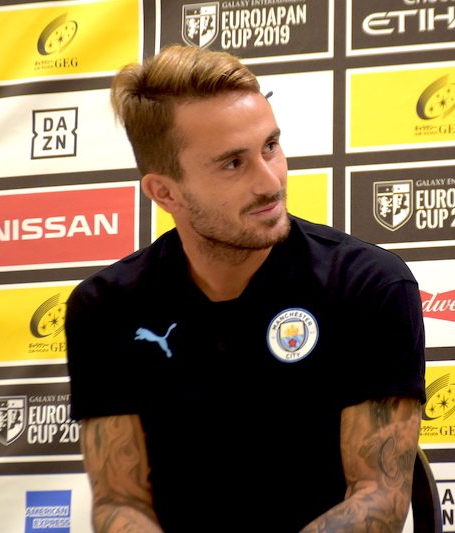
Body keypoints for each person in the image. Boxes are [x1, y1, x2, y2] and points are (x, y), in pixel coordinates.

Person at [65, 45, 425, 532]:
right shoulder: (105, 307)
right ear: (165, 192)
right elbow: (119, 502)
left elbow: (379, 497)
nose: (270, 181)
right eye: (233, 163)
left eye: (270, 146)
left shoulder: (367, 285)